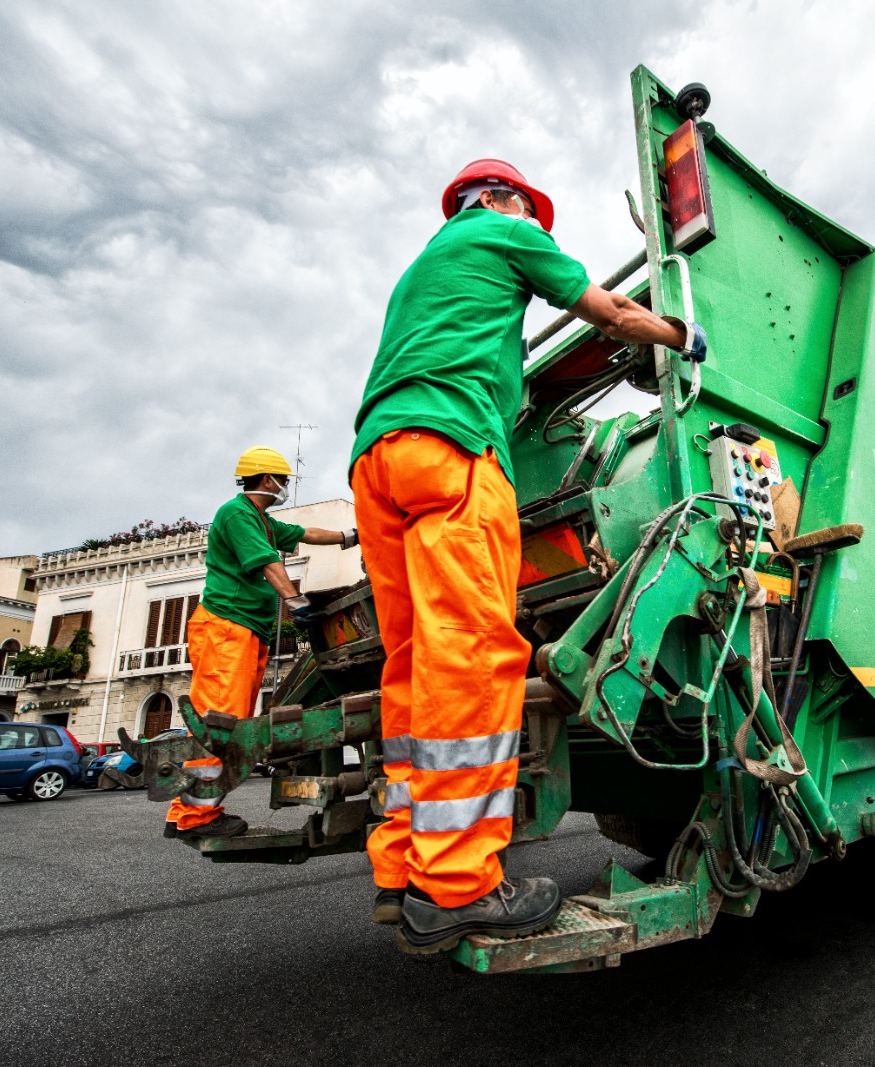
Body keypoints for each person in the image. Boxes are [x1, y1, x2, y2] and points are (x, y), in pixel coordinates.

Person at [350, 159, 707, 953]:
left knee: (412, 668)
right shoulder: (508, 233)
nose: (539, 230)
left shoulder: (424, 268)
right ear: (506, 200)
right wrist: (683, 336)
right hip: (453, 452)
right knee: (473, 658)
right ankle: (459, 886)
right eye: (534, 215)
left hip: (378, 462)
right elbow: (608, 311)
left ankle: (406, 866)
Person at [164, 447, 358, 841]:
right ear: (268, 480)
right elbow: (267, 561)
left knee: (227, 721)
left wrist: (352, 536)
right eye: (285, 481)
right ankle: (194, 817)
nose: (286, 487)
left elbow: (307, 534)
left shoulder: (263, 521)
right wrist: (294, 599)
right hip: (225, 627)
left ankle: (182, 810)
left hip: (243, 630)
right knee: (219, 722)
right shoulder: (236, 514)